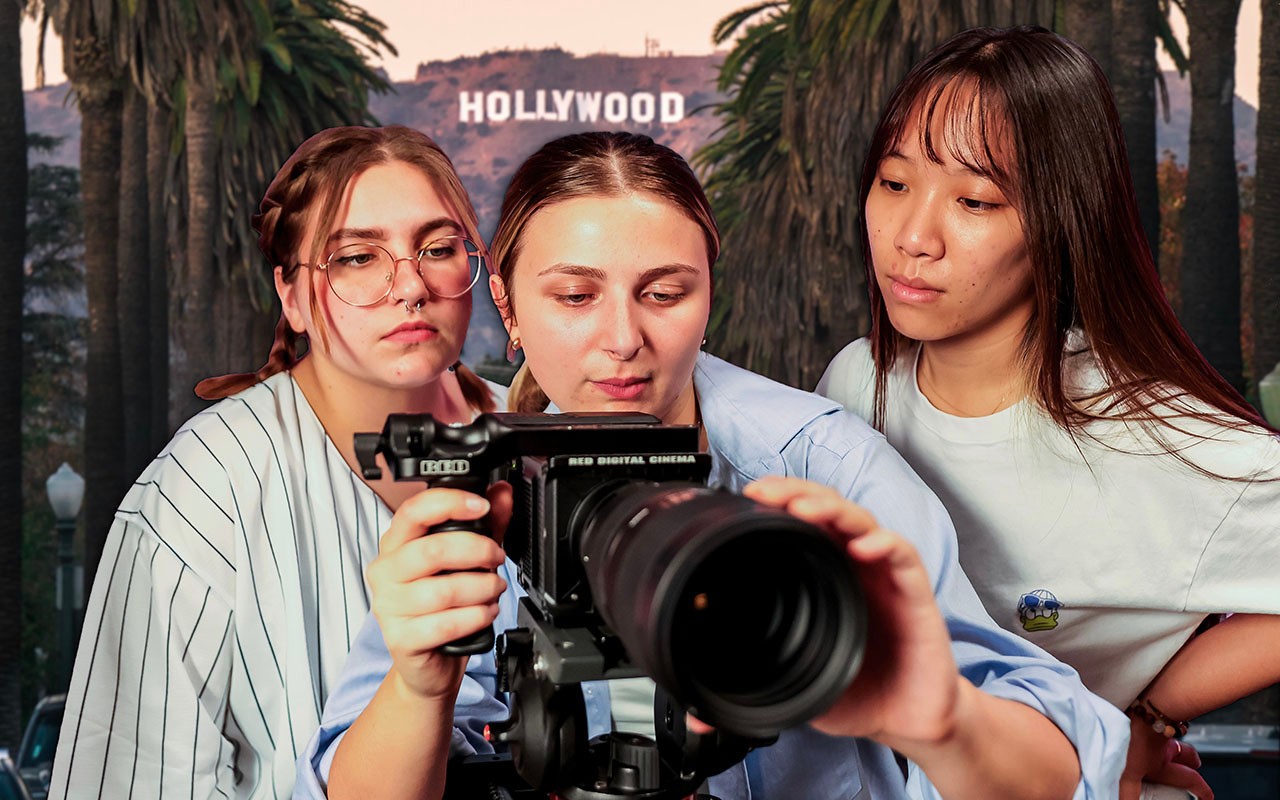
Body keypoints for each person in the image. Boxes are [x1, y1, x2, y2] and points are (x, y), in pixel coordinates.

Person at [297, 131, 1128, 800]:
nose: (623, 340)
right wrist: (416, 688)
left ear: (707, 296)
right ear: (508, 305)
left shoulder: (824, 470)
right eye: (575, 297)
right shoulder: (483, 490)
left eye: (664, 293)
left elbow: (1066, 768)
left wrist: (942, 721)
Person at [815, 25, 1280, 800]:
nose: (912, 237)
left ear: (1061, 220)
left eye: (974, 200)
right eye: (895, 183)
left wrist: (1144, 715)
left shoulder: (1151, 437)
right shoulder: (858, 383)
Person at [49, 126, 501, 799]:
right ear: (291, 296)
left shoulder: (541, 436)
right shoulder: (203, 491)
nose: (409, 286)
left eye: (436, 248)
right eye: (356, 257)